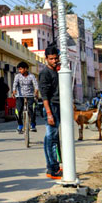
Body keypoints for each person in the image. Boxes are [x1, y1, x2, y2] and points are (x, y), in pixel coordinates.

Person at [39, 46, 62, 179]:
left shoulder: (57, 71)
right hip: (51, 107)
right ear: (46, 58)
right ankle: (52, 168)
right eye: (51, 59)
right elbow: (44, 96)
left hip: (58, 106)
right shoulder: (45, 73)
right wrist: (49, 113)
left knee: (54, 137)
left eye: (55, 58)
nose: (54, 61)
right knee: (51, 138)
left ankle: (55, 166)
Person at [13, 61, 39, 133]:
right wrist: (14, 90)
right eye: (19, 69)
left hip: (30, 95)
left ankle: (33, 125)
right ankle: (20, 125)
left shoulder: (32, 76)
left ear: (26, 69)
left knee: (32, 109)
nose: (20, 71)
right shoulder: (17, 76)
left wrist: (36, 91)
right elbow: (15, 84)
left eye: (21, 69)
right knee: (18, 111)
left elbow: (35, 84)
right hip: (20, 95)